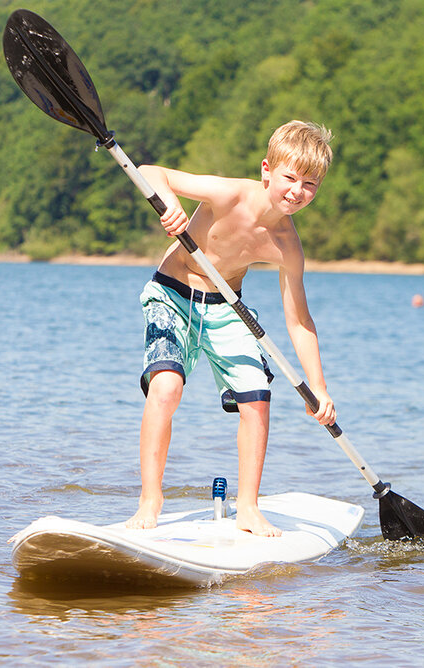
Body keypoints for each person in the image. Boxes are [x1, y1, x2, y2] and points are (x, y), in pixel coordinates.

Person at [128, 120, 337, 537]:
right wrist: (169, 202)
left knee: (257, 399)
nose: (297, 191)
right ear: (266, 170)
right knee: (166, 388)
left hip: (228, 309)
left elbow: (298, 319)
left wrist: (319, 386)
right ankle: (150, 499)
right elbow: (151, 172)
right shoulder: (232, 194)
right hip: (173, 293)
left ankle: (248, 508)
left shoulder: (288, 245)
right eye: (289, 177)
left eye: (309, 184)